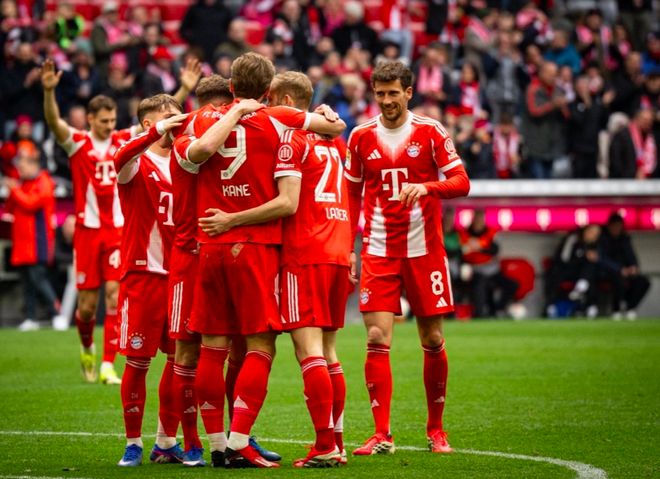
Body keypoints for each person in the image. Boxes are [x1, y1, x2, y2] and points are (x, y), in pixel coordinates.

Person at [186, 52, 345, 468]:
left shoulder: (202, 119)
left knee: (212, 347)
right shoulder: (278, 118)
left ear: (231, 85)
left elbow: (196, 153)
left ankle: (216, 444)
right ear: (269, 89)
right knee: (262, 345)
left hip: (209, 242)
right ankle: (240, 440)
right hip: (255, 245)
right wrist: (326, 114)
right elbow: (334, 127)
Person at [345, 60, 470, 456]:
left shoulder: (431, 131)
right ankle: (381, 434)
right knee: (376, 337)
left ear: (409, 93)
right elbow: (350, 194)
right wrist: (348, 247)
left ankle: (436, 430)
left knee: (432, 338)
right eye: (380, 93)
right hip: (378, 250)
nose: (386, 101)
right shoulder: (360, 136)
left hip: (424, 251)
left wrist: (428, 187)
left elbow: (461, 182)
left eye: (393, 93)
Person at [169, 76, 277, 466]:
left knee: (209, 351)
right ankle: (209, 440)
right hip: (227, 245)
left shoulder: (187, 126)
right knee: (247, 346)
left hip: (202, 250)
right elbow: (326, 125)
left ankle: (218, 442)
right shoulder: (268, 120)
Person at [266, 71, 356, 467]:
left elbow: (288, 202)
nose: (267, 107)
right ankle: (337, 442)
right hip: (337, 250)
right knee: (330, 351)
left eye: (271, 100)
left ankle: (323, 446)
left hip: (306, 252)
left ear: (286, 100)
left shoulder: (293, 140)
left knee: (309, 351)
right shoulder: (334, 143)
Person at [41, 59, 130, 385]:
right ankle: (87, 346)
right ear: (90, 119)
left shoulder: (123, 139)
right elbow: (54, 122)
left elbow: (157, 121)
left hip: (117, 231)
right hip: (87, 233)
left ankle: (108, 364)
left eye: (113, 120)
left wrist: (184, 89)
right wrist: (49, 92)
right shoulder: (78, 142)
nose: (109, 125)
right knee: (87, 308)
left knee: (114, 294)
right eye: (104, 120)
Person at [112, 94, 188, 467]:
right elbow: (119, 159)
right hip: (143, 276)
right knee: (138, 362)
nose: (179, 120)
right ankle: (132, 443)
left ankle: (165, 441)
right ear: (150, 124)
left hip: (180, 278)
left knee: (179, 361)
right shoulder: (136, 163)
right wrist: (157, 131)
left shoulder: (187, 161)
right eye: (170, 116)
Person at [3, 142, 60, 331]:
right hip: (21, 242)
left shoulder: (44, 182)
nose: (20, 170)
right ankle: (31, 317)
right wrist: (14, 190)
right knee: (26, 282)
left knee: (39, 279)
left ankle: (57, 313)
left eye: (23, 166)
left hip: (38, 242)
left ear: (33, 164)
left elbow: (31, 203)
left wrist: (14, 190)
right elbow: (10, 208)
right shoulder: (22, 184)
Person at [458, 210, 519, 318]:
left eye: (481, 219)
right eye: (477, 219)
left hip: (492, 270)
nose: (478, 221)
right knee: (479, 286)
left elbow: (495, 250)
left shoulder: (491, 232)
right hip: (475, 270)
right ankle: (479, 314)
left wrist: (479, 247)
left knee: (512, 285)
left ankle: (498, 308)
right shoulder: (464, 234)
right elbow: (461, 253)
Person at [598, 213, 650, 320]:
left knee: (643, 281)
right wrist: (619, 269)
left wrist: (634, 267)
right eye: (614, 226)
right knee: (617, 280)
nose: (616, 228)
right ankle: (616, 309)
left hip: (626, 271)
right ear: (609, 226)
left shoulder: (624, 238)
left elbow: (631, 256)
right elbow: (602, 259)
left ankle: (630, 307)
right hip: (608, 272)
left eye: (619, 226)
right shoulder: (602, 238)